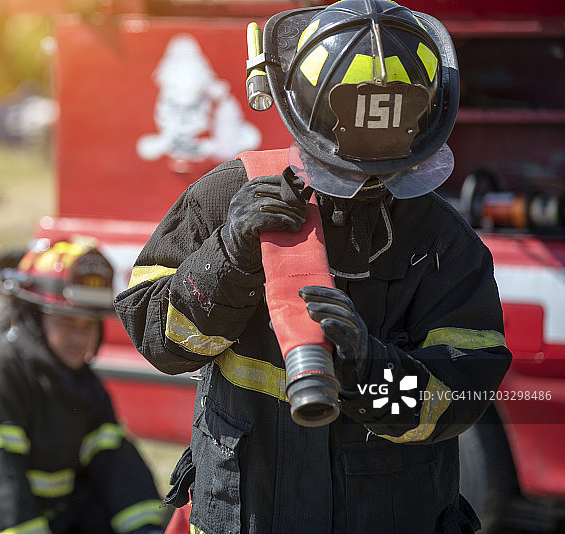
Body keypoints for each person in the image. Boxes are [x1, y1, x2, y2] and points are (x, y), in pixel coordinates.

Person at [113, 1, 512, 533]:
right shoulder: (228, 195)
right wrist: (229, 257)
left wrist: (372, 372)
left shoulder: (442, 241)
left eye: (391, 168)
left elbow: (462, 393)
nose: (372, 183)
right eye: (347, 168)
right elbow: (153, 333)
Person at [0, 240, 167, 534]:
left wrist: (146, 528)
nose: (79, 338)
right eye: (67, 322)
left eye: (89, 324)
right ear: (34, 318)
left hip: (41, 516)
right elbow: (2, 493)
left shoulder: (82, 384)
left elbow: (118, 467)